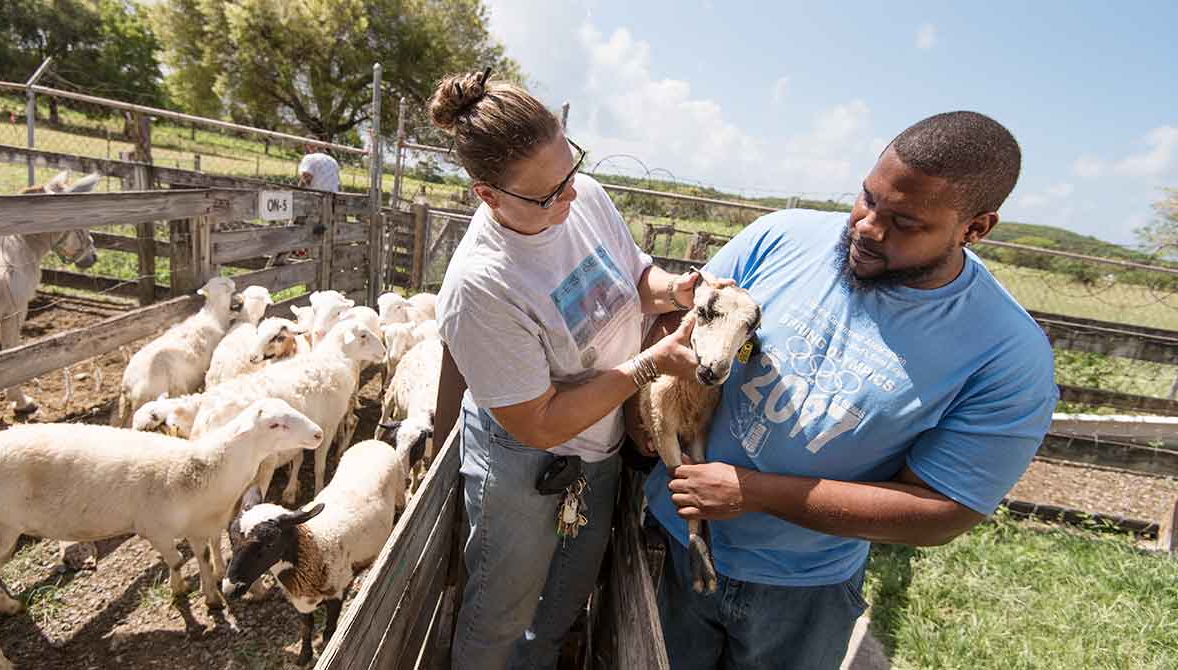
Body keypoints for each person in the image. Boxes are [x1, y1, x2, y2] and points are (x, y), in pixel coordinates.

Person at [638, 111, 1059, 670]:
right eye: (867, 198)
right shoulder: (779, 238)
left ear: (975, 228)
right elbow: (681, 330)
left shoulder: (1006, 355)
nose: (866, 227)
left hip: (801, 588)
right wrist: (646, 418)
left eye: (904, 222)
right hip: (670, 538)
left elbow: (944, 512)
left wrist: (755, 492)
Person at [428, 69, 712, 670]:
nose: (572, 197)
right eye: (547, 194)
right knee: (499, 613)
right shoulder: (483, 285)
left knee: (561, 604)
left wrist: (677, 290)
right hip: (524, 461)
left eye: (572, 171)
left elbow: (636, 275)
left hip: (598, 448)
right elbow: (539, 423)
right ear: (488, 194)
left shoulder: (583, 199)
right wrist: (649, 364)